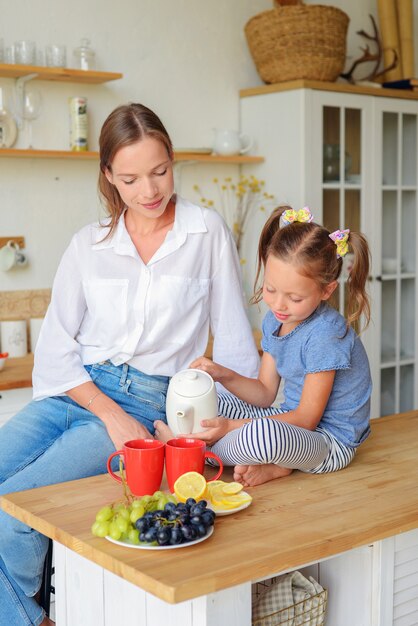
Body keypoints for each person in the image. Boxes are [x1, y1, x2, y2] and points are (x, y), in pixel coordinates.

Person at [0, 103, 259, 626]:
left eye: (159, 171)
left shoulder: (205, 232)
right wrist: (109, 414)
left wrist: (236, 440)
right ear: (109, 178)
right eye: (131, 178)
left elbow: (232, 343)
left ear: (172, 160)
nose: (149, 191)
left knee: (13, 508)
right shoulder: (89, 244)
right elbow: (55, 348)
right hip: (76, 391)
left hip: (148, 402)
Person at [156, 205, 372, 488]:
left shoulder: (325, 336)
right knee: (210, 402)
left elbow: (307, 419)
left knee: (264, 435)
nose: (279, 305)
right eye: (271, 289)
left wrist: (231, 427)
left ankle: (189, 447)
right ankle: (268, 462)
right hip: (290, 421)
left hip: (327, 441)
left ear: (327, 290)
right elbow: (264, 394)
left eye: (294, 298)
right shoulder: (276, 320)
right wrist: (222, 374)